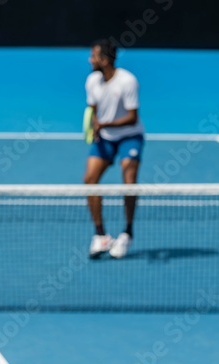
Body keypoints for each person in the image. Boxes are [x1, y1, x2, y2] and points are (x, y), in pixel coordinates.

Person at [84, 40, 145, 260]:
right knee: (89, 180)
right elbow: (93, 110)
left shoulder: (127, 81)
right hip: (105, 139)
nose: (90, 60)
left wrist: (105, 124)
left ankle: (127, 232)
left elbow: (132, 117)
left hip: (129, 137)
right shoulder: (92, 81)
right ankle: (100, 235)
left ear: (105, 60)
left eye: (93, 56)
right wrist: (95, 127)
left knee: (129, 180)